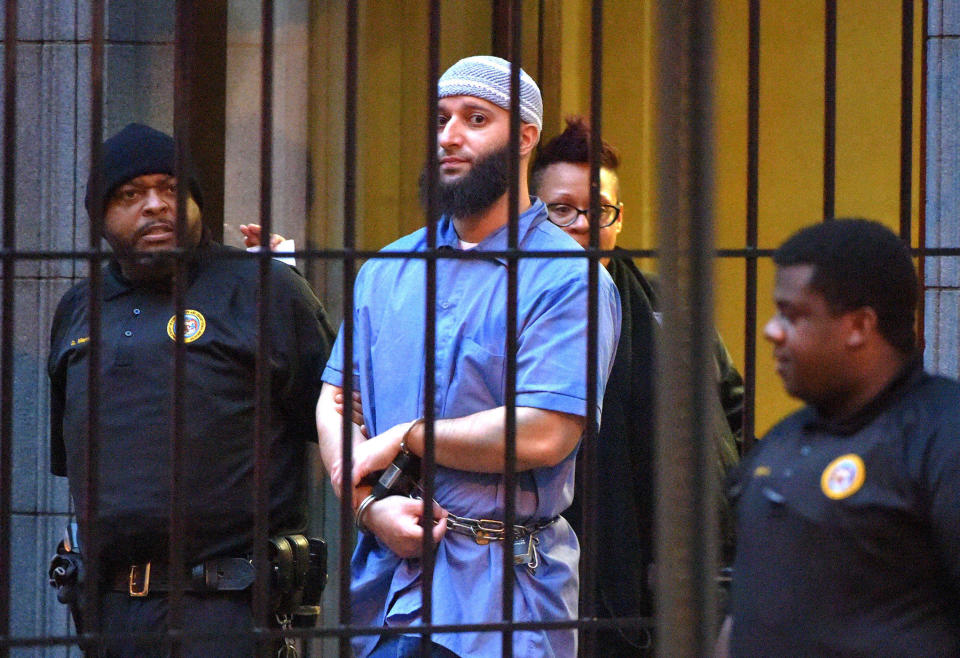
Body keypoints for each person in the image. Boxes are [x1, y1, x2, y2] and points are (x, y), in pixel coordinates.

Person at [315, 56, 621, 657]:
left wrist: (410, 435)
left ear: (526, 138)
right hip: (388, 594)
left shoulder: (565, 278)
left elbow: (546, 432)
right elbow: (333, 401)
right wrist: (367, 505)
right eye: (441, 118)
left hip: (506, 598)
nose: (450, 136)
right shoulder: (389, 268)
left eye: (476, 119)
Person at [47, 123, 335, 656]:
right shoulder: (76, 308)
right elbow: (75, 462)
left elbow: (340, 425)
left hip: (228, 607)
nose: (155, 205)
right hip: (108, 611)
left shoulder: (264, 291)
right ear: (100, 214)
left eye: (171, 188)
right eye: (130, 194)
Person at [529, 116, 743, 654]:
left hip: (673, 576)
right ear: (531, 214)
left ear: (618, 219)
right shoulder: (506, 309)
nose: (581, 224)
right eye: (560, 209)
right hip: (543, 571)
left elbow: (731, 411)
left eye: (598, 210)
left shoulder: (667, 305)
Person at [718, 219, 960, 655]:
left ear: (859, 326)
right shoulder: (782, 440)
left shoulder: (941, 434)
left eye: (794, 315)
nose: (772, 331)